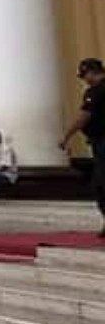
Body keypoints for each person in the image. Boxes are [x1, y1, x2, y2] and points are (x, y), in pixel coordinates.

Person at [59, 57, 105, 237]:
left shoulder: (95, 92)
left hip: (102, 141)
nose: (84, 80)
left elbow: (84, 116)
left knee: (101, 184)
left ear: (91, 72)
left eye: (84, 75)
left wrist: (66, 137)